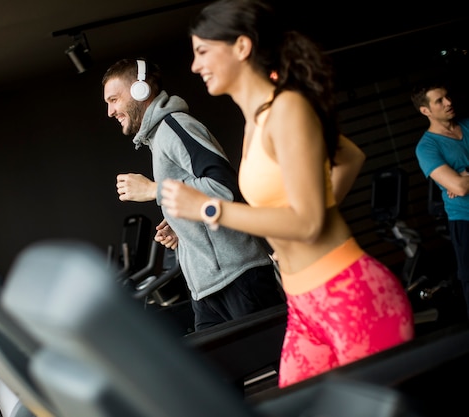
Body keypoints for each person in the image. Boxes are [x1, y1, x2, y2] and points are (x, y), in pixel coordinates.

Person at [159, 0, 414, 388]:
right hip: (303, 305)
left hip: (348, 294)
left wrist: (209, 208)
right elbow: (349, 157)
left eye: (203, 51)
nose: (194, 65)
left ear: (242, 48)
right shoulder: (256, 121)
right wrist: (310, 212)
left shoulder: (288, 108)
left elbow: (308, 221)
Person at [102, 58, 286, 332]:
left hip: (239, 277)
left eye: (114, 99)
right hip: (205, 289)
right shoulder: (158, 137)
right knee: (215, 374)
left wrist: (154, 190)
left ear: (141, 90)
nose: (110, 111)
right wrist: (183, 227)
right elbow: (201, 196)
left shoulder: (176, 127)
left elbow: (224, 187)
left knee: (286, 368)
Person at [412, 80, 469, 318]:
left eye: (447, 97)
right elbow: (459, 187)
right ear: (425, 111)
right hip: (465, 220)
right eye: (439, 101)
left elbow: (460, 183)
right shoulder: (426, 148)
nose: (449, 102)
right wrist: (459, 181)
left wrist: (464, 174)